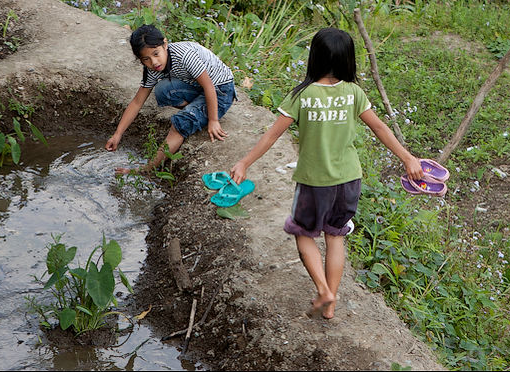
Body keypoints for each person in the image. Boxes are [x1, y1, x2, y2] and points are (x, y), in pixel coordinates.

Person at [230, 27, 423, 320]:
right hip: (349, 180)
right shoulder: (354, 93)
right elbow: (380, 128)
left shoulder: (302, 95)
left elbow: (271, 136)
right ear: (348, 60)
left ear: (314, 58)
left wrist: (244, 162)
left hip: (313, 182)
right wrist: (408, 158)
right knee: (335, 237)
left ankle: (323, 289)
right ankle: (331, 304)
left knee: (303, 234)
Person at [106, 24, 236, 174]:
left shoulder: (184, 56)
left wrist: (213, 120)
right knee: (162, 91)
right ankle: (196, 109)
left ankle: (148, 169)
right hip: (196, 85)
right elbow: (137, 102)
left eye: (156, 54)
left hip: (221, 89)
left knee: (179, 125)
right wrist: (118, 134)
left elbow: (209, 86)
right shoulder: (152, 69)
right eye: (146, 59)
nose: (154, 62)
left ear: (165, 45)